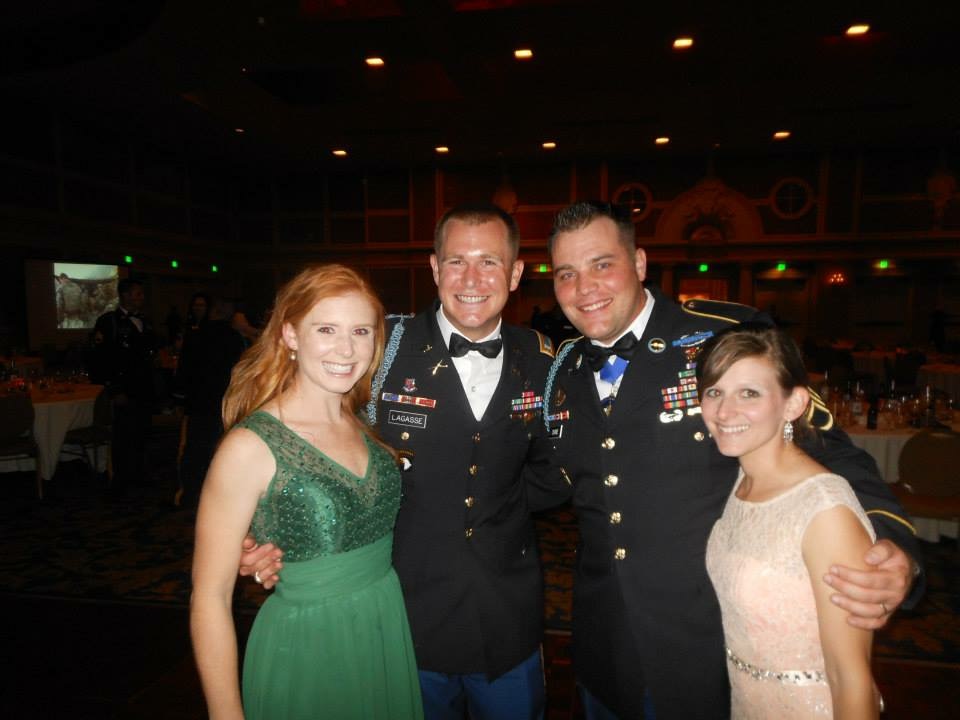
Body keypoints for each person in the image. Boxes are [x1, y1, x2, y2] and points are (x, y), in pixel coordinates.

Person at [540, 201, 921, 719]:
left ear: (640, 263)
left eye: (602, 264)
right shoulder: (561, 370)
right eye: (566, 273)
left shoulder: (723, 332)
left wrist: (893, 544)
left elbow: (829, 449)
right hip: (603, 645)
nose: (584, 288)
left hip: (708, 646)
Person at [240, 204, 556, 720]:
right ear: (434, 268)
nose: (471, 278)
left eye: (489, 262)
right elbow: (299, 434)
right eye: (456, 261)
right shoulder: (381, 346)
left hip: (506, 613)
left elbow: (558, 464)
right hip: (402, 613)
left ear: (516, 273)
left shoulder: (542, 357)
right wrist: (261, 526)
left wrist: (502, 507)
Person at [190, 264, 423, 720]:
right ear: (290, 334)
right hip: (308, 648)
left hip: (382, 628)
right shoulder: (250, 446)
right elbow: (209, 597)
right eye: (326, 329)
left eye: (360, 331)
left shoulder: (364, 422)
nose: (346, 349)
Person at [699, 324, 879, 718]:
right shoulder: (743, 480)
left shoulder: (825, 511)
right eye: (714, 392)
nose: (724, 411)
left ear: (794, 404)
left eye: (749, 393)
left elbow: (850, 678)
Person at [175, 297, 246, 508]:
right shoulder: (235, 338)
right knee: (221, 448)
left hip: (200, 401)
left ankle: (191, 495)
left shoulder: (196, 336)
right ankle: (218, 496)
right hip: (225, 402)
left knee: (195, 449)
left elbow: (185, 369)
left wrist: (179, 398)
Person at [89, 278, 158, 492]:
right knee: (123, 435)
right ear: (125, 295)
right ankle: (121, 480)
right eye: (138, 294)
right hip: (124, 389)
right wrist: (115, 389)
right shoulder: (108, 321)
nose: (142, 298)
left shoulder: (145, 321)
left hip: (143, 387)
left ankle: (140, 474)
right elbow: (102, 359)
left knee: (142, 432)